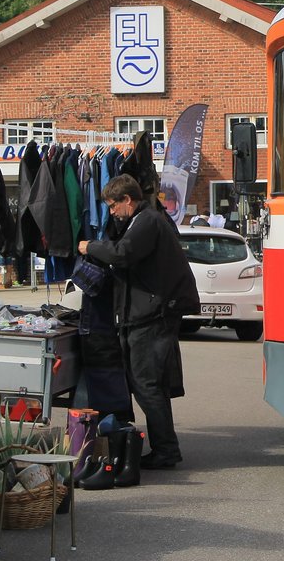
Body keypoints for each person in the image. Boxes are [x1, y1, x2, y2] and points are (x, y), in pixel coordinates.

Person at [79, 174, 199, 469]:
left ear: (127, 200)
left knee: (147, 384)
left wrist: (90, 247)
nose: (111, 212)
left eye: (113, 206)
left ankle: (166, 451)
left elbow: (123, 253)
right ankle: (165, 448)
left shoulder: (147, 221)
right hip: (149, 313)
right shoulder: (142, 221)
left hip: (153, 316)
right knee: (149, 384)